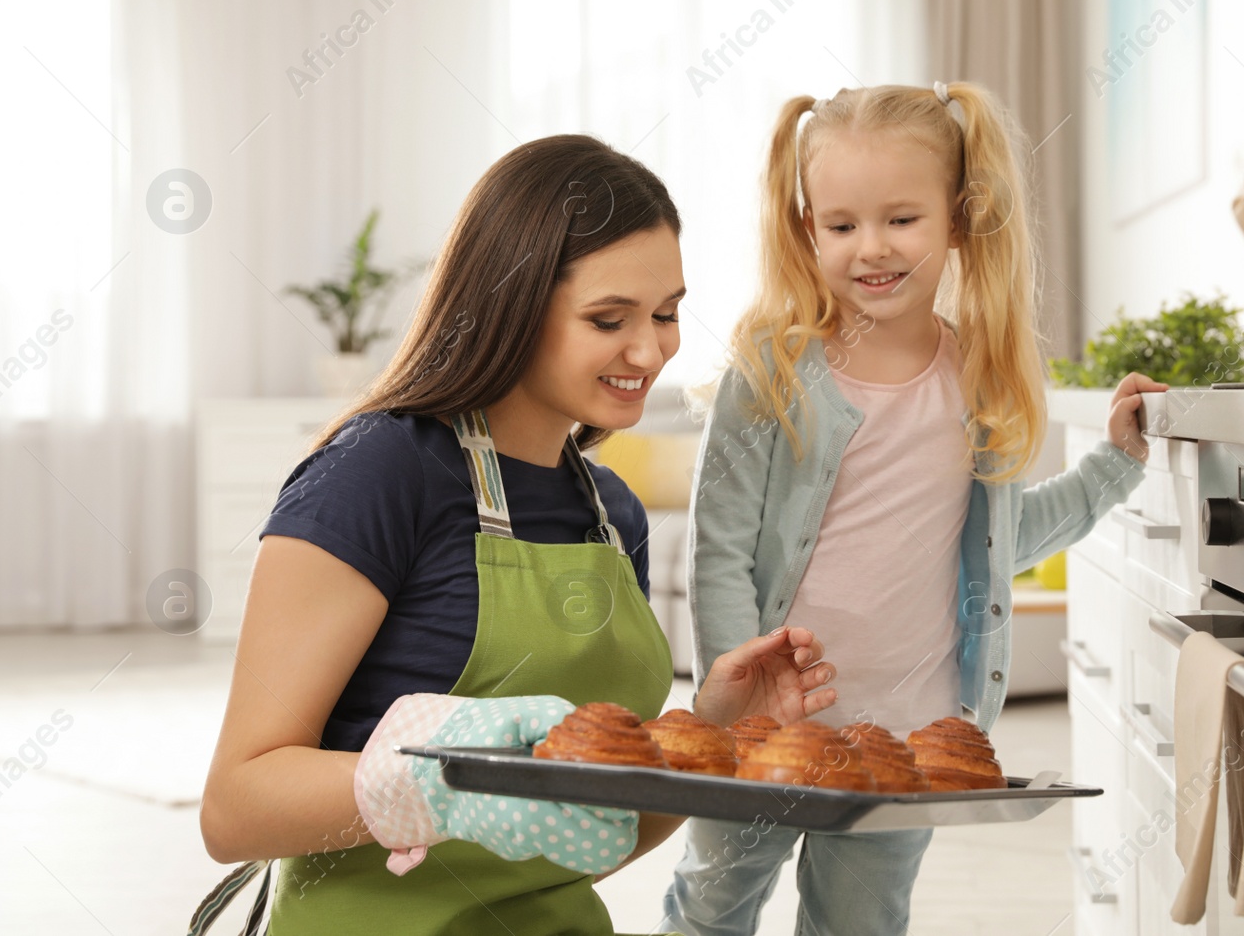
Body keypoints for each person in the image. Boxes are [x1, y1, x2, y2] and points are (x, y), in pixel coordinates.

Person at [197, 135, 838, 936]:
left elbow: (583, 843)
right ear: (513, 301)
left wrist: (710, 732)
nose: (651, 350)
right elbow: (234, 807)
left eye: (668, 313)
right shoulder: (377, 473)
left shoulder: (611, 515)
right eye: (609, 318)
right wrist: (448, 782)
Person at [661, 83, 1166, 935]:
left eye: (902, 219)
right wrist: (736, 695)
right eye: (842, 224)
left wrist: (1115, 463)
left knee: (862, 920)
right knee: (711, 907)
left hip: (905, 736)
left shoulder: (975, 375)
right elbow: (719, 550)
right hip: (767, 729)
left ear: (960, 217)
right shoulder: (773, 371)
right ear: (806, 227)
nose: (872, 249)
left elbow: (1001, 541)